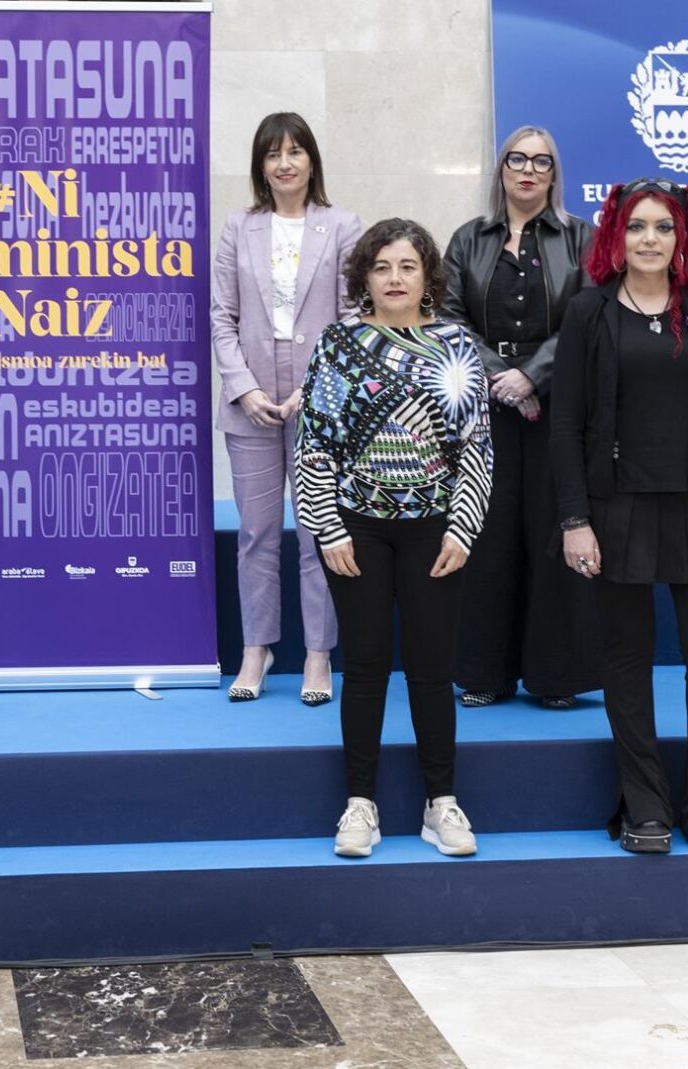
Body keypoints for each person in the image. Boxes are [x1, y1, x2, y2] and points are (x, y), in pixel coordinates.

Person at [549, 178, 688, 855]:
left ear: (682, 236)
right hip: (616, 511)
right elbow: (565, 425)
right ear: (617, 234)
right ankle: (643, 804)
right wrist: (575, 519)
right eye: (637, 226)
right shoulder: (588, 312)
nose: (649, 239)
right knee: (626, 659)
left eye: (663, 227)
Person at [295, 218, 492, 858]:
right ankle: (360, 804)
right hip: (356, 529)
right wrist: (327, 526)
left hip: (436, 529)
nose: (395, 278)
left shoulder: (456, 345)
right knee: (367, 665)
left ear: (427, 274)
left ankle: (442, 804)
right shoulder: (338, 344)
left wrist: (464, 525)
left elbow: (477, 445)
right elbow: (315, 443)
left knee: (433, 669)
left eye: (407, 266)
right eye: (381, 267)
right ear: (365, 278)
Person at [442, 125, 602, 709]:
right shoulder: (468, 239)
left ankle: (556, 677)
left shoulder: (582, 237)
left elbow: (589, 314)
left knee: (552, 532)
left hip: (559, 403)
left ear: (554, 174)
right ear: (501, 169)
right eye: (518, 159)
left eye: (541, 161)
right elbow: (448, 318)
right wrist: (501, 379)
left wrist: (533, 375)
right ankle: (486, 674)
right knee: (489, 533)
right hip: (485, 405)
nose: (529, 170)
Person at [212, 112, 361, 705]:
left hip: (318, 399)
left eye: (295, 151)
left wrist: (314, 385)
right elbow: (222, 316)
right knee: (256, 533)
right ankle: (257, 649)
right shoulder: (239, 226)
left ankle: (318, 654)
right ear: (260, 166)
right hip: (250, 397)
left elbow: (353, 317)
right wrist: (243, 387)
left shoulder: (342, 225)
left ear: (311, 160)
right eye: (273, 154)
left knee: (321, 530)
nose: (285, 163)